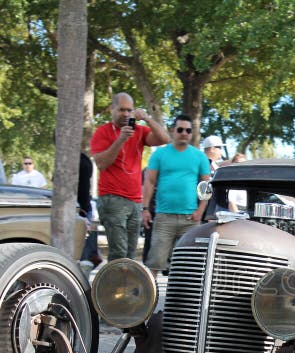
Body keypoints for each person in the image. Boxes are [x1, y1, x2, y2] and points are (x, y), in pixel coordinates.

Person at [91, 93, 169, 261]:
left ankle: (126, 287)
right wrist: (121, 139)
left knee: (131, 254)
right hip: (112, 199)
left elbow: (165, 138)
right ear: (112, 109)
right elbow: (102, 163)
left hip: (135, 201)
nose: (126, 114)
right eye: (121, 110)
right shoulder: (102, 132)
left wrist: (147, 119)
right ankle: (113, 287)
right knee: (119, 253)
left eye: (129, 110)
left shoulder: (139, 131)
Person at [142, 115, 210, 274]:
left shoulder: (199, 156)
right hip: (164, 218)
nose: (184, 133)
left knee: (190, 267)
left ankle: (185, 297)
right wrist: (145, 208)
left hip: (190, 220)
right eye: (180, 129)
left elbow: (206, 186)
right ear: (173, 131)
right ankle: (149, 298)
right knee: (155, 263)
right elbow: (149, 181)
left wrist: (201, 210)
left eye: (188, 130)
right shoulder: (160, 154)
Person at [77, 152, 103, 270]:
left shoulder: (79, 161)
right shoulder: (86, 160)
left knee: (84, 255)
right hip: (84, 207)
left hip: (81, 208)